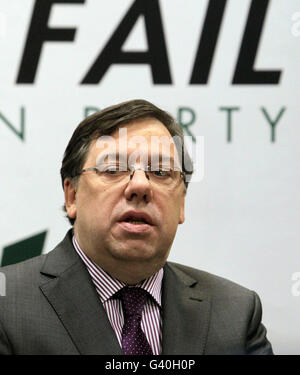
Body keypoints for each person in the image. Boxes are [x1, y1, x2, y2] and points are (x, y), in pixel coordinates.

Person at [0, 99, 273, 355]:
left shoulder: (235, 312)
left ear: (181, 204)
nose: (140, 186)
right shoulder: (7, 305)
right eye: (113, 168)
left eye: (161, 173)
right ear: (72, 196)